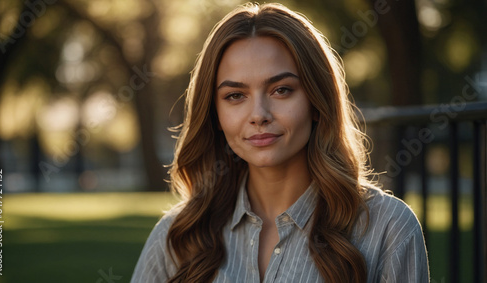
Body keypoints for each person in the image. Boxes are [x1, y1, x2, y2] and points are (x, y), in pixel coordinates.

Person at [131, 3, 429, 282]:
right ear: (214, 114)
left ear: (316, 100)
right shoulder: (178, 236)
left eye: (282, 90)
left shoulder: (389, 227)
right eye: (235, 96)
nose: (258, 115)